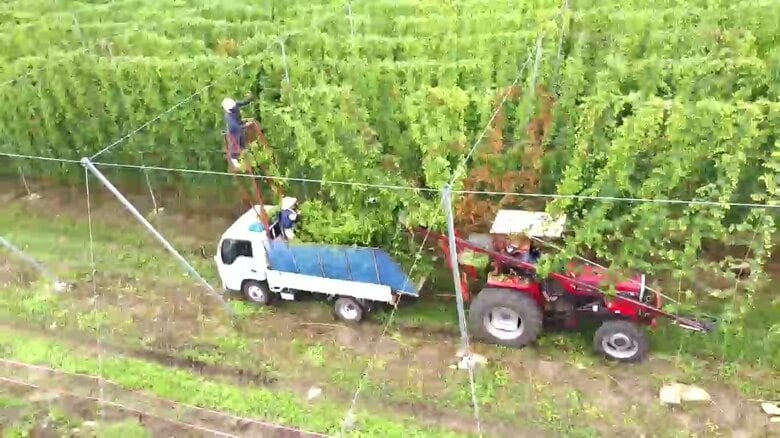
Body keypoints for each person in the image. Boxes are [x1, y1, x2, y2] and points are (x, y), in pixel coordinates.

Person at [222, 93, 255, 168]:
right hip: (233, 130)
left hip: (239, 124)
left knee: (242, 141)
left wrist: (249, 99)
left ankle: (245, 153)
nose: (235, 107)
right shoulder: (228, 117)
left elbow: (243, 103)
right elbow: (236, 127)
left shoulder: (235, 105)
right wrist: (245, 125)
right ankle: (234, 159)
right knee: (235, 144)